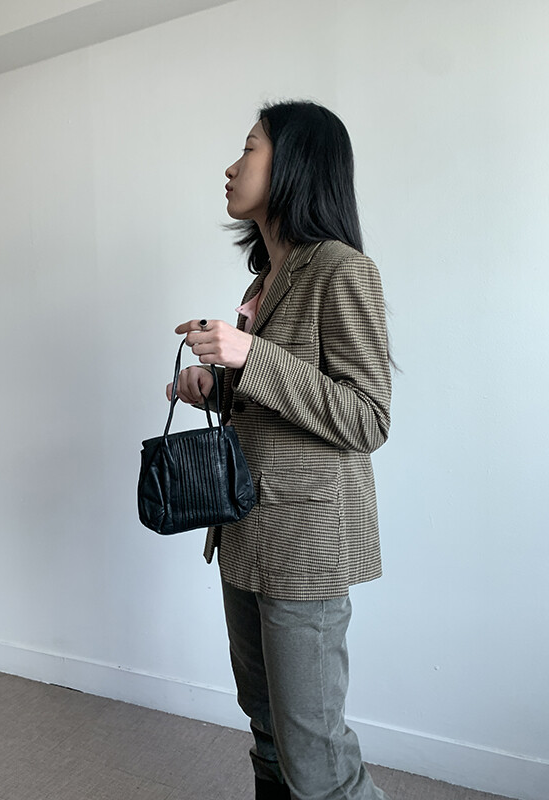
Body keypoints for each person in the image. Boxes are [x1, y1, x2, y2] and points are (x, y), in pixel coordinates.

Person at [167, 100, 392, 800]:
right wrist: (215, 387)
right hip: (243, 530)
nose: (231, 167)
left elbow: (367, 417)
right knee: (265, 727)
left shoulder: (342, 270)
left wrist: (250, 354)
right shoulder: (261, 282)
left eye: (249, 148)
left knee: (315, 756)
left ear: (296, 162)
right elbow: (277, 403)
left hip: (305, 542)